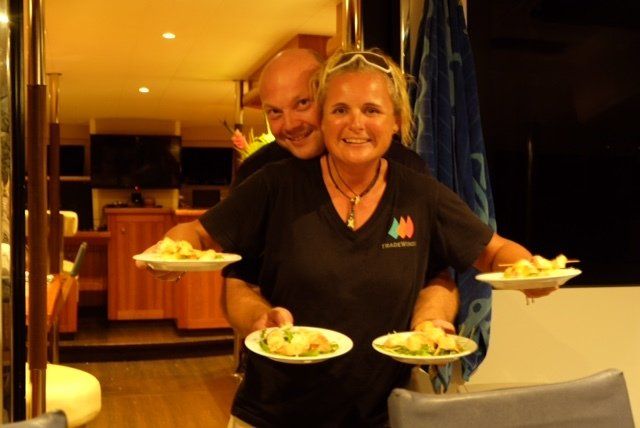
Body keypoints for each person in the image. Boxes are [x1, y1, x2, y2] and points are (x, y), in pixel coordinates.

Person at [141, 49, 551, 427]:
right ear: (324, 119)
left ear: (396, 121)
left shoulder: (420, 192)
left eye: (371, 110)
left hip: (383, 412)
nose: (355, 124)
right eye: (340, 110)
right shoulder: (272, 184)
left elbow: (492, 252)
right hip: (276, 411)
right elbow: (197, 236)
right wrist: (174, 255)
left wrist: (528, 271)